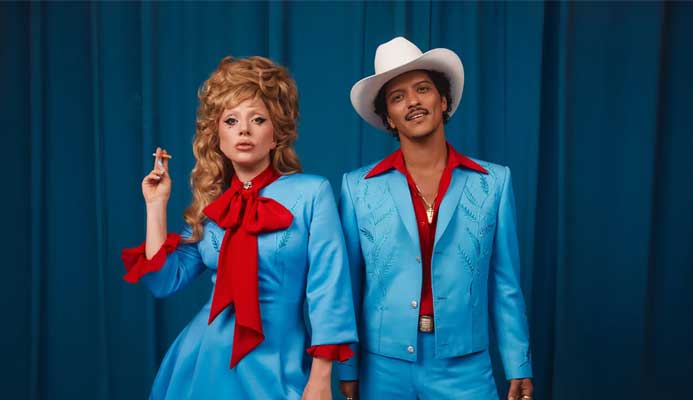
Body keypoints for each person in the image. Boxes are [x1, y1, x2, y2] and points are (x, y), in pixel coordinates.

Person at [121, 56, 357, 400]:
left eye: (257, 119)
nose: (244, 130)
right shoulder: (212, 205)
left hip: (279, 365)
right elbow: (164, 281)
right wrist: (156, 205)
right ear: (217, 135)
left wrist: (321, 377)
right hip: (204, 364)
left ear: (276, 135)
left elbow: (330, 288)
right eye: (231, 120)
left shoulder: (311, 193)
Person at [336, 37, 534, 400]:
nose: (412, 101)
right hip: (383, 367)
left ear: (443, 101)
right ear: (388, 118)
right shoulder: (357, 188)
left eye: (423, 89)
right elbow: (347, 287)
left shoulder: (493, 183)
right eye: (397, 97)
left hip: (465, 367)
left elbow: (505, 285)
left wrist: (518, 364)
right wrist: (347, 366)